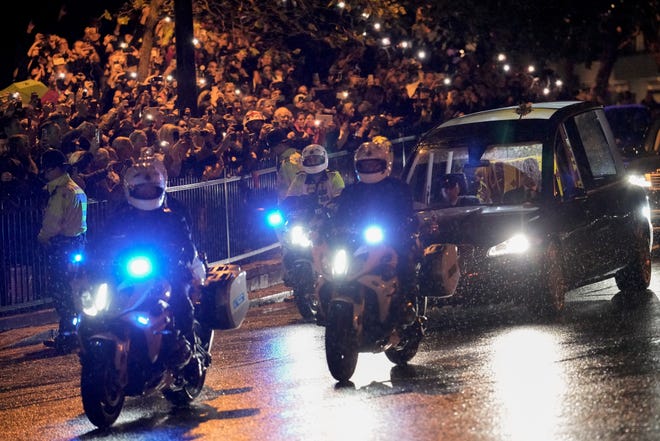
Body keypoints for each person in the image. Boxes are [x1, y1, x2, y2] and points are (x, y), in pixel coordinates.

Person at [88, 149, 205, 369]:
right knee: (102, 303)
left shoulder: (172, 213)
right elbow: (103, 238)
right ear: (130, 189)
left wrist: (182, 258)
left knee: (180, 299)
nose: (147, 192)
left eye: (152, 188)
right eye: (141, 189)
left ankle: (192, 350)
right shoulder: (122, 213)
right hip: (129, 269)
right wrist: (90, 258)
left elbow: (186, 242)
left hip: (165, 268)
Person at [323, 138, 419, 325]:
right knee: (334, 264)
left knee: (405, 260)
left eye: (374, 164)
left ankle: (406, 305)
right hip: (357, 240)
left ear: (385, 164)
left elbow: (407, 212)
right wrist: (329, 228)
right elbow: (340, 215)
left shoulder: (398, 188)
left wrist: (404, 224)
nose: (369, 168)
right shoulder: (351, 192)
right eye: (365, 165)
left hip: (392, 238)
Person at [38, 148, 88, 353]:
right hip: (77, 244)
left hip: (62, 246)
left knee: (62, 293)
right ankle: (76, 333)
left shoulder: (61, 192)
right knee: (74, 291)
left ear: (57, 169)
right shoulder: (76, 188)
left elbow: (52, 223)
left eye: (48, 169)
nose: (45, 173)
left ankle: (67, 337)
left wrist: (43, 237)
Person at [283, 143, 345, 209]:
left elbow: (340, 196)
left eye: (316, 160)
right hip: (307, 216)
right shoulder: (300, 178)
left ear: (324, 159)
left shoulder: (333, 176)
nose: (312, 163)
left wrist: (333, 205)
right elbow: (290, 197)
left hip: (330, 215)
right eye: (309, 160)